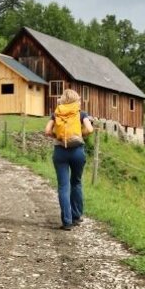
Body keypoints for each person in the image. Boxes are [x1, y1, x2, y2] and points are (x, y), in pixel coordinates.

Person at [44, 89, 94, 231]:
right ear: (76, 100)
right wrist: (79, 135)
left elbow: (47, 131)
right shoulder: (80, 113)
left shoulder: (56, 113)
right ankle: (76, 216)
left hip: (60, 152)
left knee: (63, 186)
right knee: (76, 183)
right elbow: (90, 129)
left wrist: (58, 137)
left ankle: (67, 221)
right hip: (77, 152)